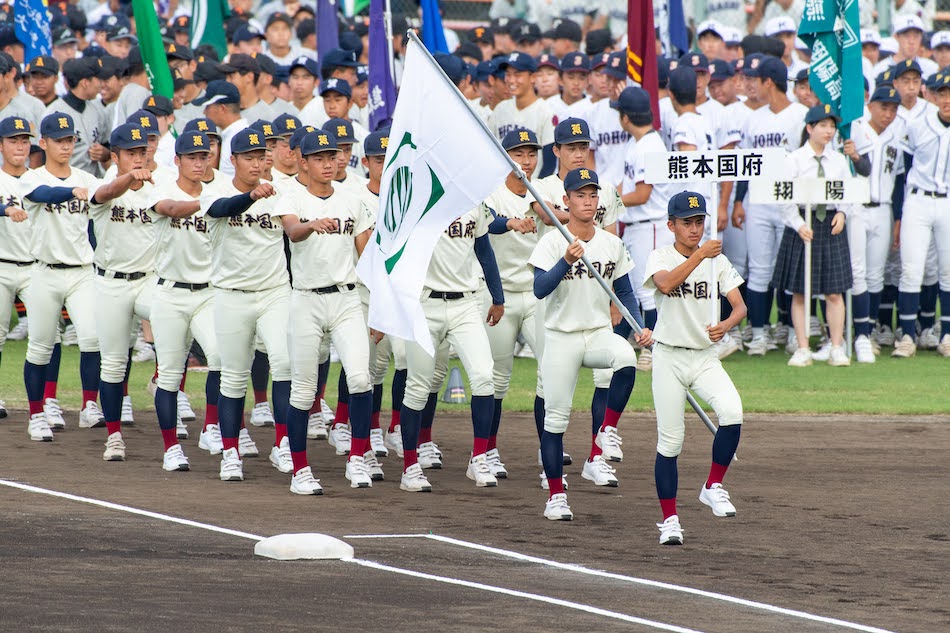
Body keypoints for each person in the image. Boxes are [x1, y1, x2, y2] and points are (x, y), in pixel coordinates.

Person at [529, 167, 648, 521]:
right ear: (566, 201)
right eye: (580, 195)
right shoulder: (552, 241)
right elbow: (539, 289)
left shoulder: (612, 244)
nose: (588, 201)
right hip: (561, 336)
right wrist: (566, 260)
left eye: (593, 195)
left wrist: (638, 326)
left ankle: (606, 431)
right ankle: (555, 496)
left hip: (597, 332)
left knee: (625, 357)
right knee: (556, 419)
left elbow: (625, 292)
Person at [643, 190, 746, 545]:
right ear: (671, 225)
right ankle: (669, 519)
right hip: (669, 357)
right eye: (687, 222)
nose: (694, 228)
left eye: (699, 221)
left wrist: (727, 325)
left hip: (704, 357)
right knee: (671, 442)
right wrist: (701, 254)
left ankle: (713, 485)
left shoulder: (717, 260)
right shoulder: (660, 255)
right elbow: (666, 283)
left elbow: (739, 305)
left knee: (732, 412)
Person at [281, 128, 378, 493]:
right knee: (304, 391)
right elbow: (292, 231)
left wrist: (384, 300)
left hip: (346, 298)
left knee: (360, 378)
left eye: (332, 156)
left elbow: (366, 251)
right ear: (303, 162)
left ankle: (357, 458)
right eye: (318, 157)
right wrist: (310, 225)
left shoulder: (352, 198)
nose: (328, 163)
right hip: (306, 298)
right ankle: (300, 470)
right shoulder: (291, 194)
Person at [398, 172, 506, 493]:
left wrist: (498, 297)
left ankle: (479, 458)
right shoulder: (415, 201)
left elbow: (484, 251)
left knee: (485, 376)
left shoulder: (473, 201)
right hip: (424, 304)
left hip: (466, 304)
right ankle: (409, 466)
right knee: (418, 386)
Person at [198, 128, 294, 482]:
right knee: (233, 376)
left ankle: (283, 444)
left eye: (260, 156)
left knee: (284, 363)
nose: (256, 162)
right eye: (248, 157)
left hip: (274, 293)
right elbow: (223, 208)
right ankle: (231, 451)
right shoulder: (215, 190)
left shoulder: (281, 192)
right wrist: (252, 196)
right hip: (230, 294)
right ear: (233, 160)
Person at [147, 130, 223, 471]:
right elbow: (173, 209)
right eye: (191, 156)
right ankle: (170, 448)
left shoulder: (220, 190)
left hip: (208, 292)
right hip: (169, 292)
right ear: (177, 160)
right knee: (170, 373)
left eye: (203, 156)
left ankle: (210, 426)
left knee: (222, 359)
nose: (198, 162)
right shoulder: (162, 185)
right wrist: (214, 204)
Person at [87, 122, 159, 461]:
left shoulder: (157, 186)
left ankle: (163, 376)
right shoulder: (104, 185)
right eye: (130, 152)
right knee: (114, 364)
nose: (137, 158)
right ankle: (114, 436)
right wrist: (130, 177)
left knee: (179, 313)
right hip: (110, 282)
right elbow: (108, 194)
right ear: (114, 156)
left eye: (141, 152)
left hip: (148, 280)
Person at [732, 56, 808, 356]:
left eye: (756, 79)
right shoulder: (753, 118)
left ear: (768, 82)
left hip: (789, 199)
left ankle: (791, 331)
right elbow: (744, 164)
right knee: (760, 270)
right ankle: (761, 333)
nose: (752, 85)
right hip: (759, 199)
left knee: (791, 271)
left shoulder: (801, 115)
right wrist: (738, 200)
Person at [772, 105, 854, 367]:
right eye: (823, 126)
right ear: (810, 128)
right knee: (799, 291)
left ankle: (837, 347)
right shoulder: (794, 159)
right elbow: (783, 198)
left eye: (832, 126)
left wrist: (842, 214)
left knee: (834, 292)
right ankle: (803, 347)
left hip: (830, 225)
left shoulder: (839, 160)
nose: (829, 131)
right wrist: (797, 224)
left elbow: (848, 193)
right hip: (803, 226)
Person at [483, 128, 543, 479]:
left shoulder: (543, 193)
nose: (526, 160)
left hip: (536, 294)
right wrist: (511, 222)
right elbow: (488, 223)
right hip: (499, 296)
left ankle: (549, 446)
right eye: (518, 153)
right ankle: (488, 449)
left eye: (531, 153)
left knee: (551, 371)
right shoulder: (492, 193)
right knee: (498, 378)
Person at [617, 87, 679, 369]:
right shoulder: (638, 143)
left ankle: (654, 349)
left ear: (626, 117)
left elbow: (642, 195)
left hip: (650, 225)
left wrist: (611, 200)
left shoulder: (650, 146)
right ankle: (647, 342)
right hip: (637, 225)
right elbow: (627, 187)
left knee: (648, 290)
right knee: (633, 287)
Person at [893, 76, 950, 358]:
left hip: (948, 202)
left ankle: (948, 335)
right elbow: (903, 169)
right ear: (933, 96)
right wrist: (898, 213)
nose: (947, 99)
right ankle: (906, 335)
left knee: (948, 271)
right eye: (943, 93)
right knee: (911, 269)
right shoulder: (918, 125)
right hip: (918, 198)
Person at [848, 87, 905, 363]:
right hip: (857, 207)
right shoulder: (855, 129)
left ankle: (867, 332)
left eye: (893, 108)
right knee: (857, 272)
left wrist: (898, 219)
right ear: (870, 105)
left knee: (875, 275)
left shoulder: (898, 134)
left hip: (883, 208)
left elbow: (900, 182)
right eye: (884, 107)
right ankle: (857, 332)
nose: (889, 113)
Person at [488, 52, 556, 178]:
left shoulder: (546, 111)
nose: (511, 80)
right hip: (503, 187)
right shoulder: (500, 109)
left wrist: (537, 191)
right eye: (508, 74)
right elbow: (491, 151)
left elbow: (550, 163)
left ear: (532, 77)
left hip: (534, 187)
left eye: (517, 75)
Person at [194, 80, 249, 178]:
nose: (204, 112)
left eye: (208, 107)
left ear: (222, 108)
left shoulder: (240, 137)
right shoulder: (231, 134)